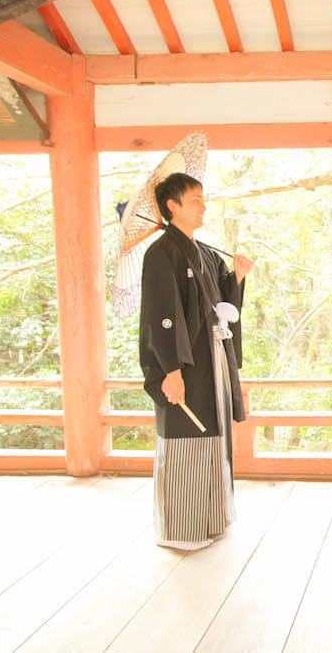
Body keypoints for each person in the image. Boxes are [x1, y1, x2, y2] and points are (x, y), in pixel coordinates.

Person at [139, 172, 253, 551]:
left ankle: (211, 518)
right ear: (172, 206)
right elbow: (161, 316)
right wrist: (170, 370)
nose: (203, 206)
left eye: (203, 199)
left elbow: (219, 302)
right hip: (185, 366)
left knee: (213, 435)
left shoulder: (202, 251)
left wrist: (235, 277)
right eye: (195, 200)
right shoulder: (162, 253)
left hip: (211, 360)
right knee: (188, 437)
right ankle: (182, 529)